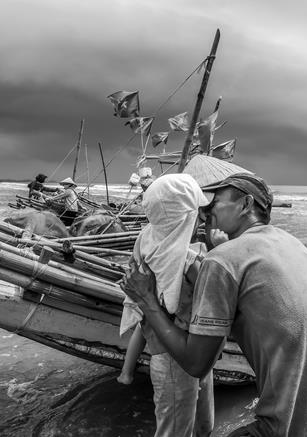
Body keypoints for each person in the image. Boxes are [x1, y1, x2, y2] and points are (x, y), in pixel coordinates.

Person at [122, 173, 307, 437]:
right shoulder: (293, 245)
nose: (206, 211)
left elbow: (196, 364)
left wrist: (146, 300)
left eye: (215, 203)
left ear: (246, 205)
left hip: (290, 427)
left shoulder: (223, 260)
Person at [118, 173, 216, 437]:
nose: (202, 217)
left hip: (170, 350)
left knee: (192, 426)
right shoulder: (189, 260)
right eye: (197, 212)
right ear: (186, 218)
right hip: (180, 356)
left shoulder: (148, 240)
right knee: (179, 431)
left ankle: (126, 372)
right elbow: (218, 298)